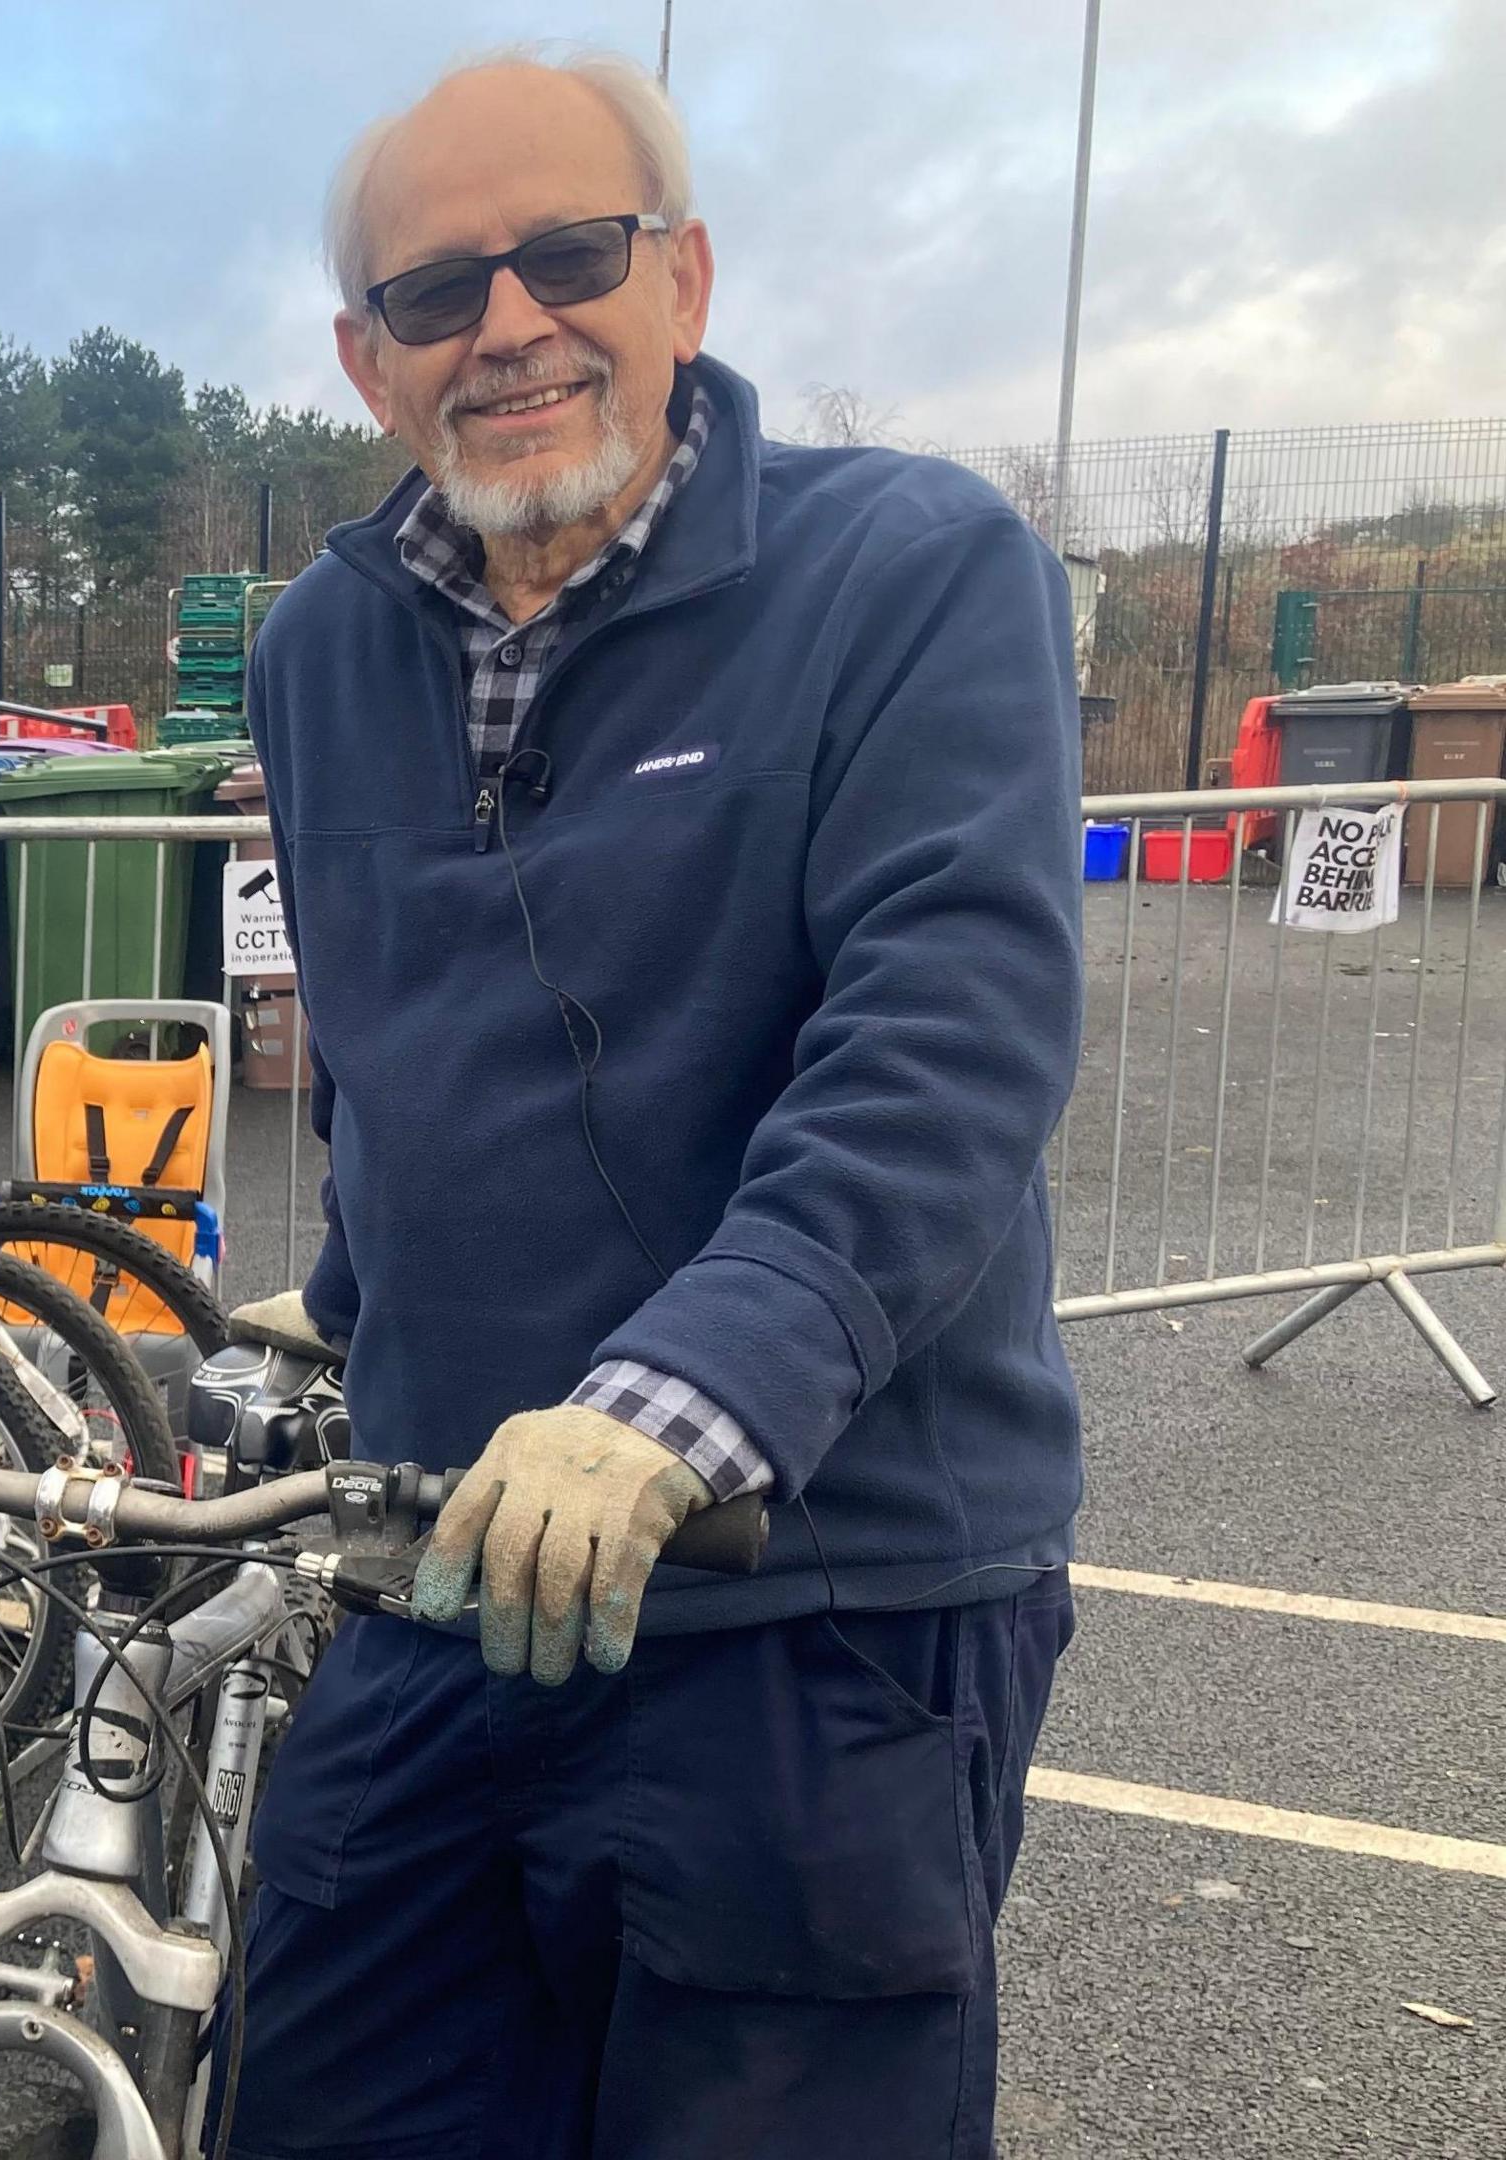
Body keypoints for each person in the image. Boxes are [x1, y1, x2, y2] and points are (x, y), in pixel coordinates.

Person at [220, 46, 1085, 2160]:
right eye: (439, 294)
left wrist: (666, 1402)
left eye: (572, 257)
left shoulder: (912, 571)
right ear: (367, 360)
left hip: (816, 1603)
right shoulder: (319, 648)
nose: (510, 324)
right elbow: (396, 1053)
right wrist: (342, 1305)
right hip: (447, 1575)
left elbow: (944, 1041)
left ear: (682, 280)